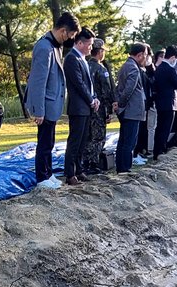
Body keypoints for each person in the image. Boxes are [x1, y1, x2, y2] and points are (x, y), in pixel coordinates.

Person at [26, 12, 80, 184]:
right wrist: (38, 110)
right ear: (63, 31)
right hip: (46, 106)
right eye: (71, 35)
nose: (70, 39)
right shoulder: (44, 47)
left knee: (49, 142)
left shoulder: (55, 46)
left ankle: (48, 174)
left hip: (52, 105)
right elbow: (38, 81)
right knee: (44, 143)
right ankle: (42, 177)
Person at [62, 28, 100, 185]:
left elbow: (89, 84)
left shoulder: (83, 59)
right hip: (78, 107)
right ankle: (70, 173)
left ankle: (79, 169)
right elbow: (78, 83)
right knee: (75, 141)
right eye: (89, 44)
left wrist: (94, 98)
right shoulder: (72, 59)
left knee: (83, 140)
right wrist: (90, 100)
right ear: (79, 43)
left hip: (86, 106)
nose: (91, 48)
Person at [115, 43, 147, 173]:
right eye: (144, 55)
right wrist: (121, 104)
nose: (145, 58)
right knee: (129, 142)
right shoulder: (133, 68)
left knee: (123, 140)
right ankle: (125, 168)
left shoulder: (125, 66)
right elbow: (129, 89)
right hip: (131, 110)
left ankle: (120, 166)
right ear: (139, 55)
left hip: (126, 110)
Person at [86, 38, 115, 173]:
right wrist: (109, 110)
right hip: (99, 108)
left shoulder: (85, 65)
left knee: (87, 135)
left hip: (86, 107)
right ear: (100, 52)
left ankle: (84, 162)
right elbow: (106, 91)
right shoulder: (100, 69)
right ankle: (93, 163)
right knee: (98, 136)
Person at [152, 45, 177, 159]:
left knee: (159, 127)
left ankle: (157, 150)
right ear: (174, 57)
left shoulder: (159, 68)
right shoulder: (170, 69)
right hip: (169, 103)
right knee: (165, 129)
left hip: (160, 102)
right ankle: (161, 150)